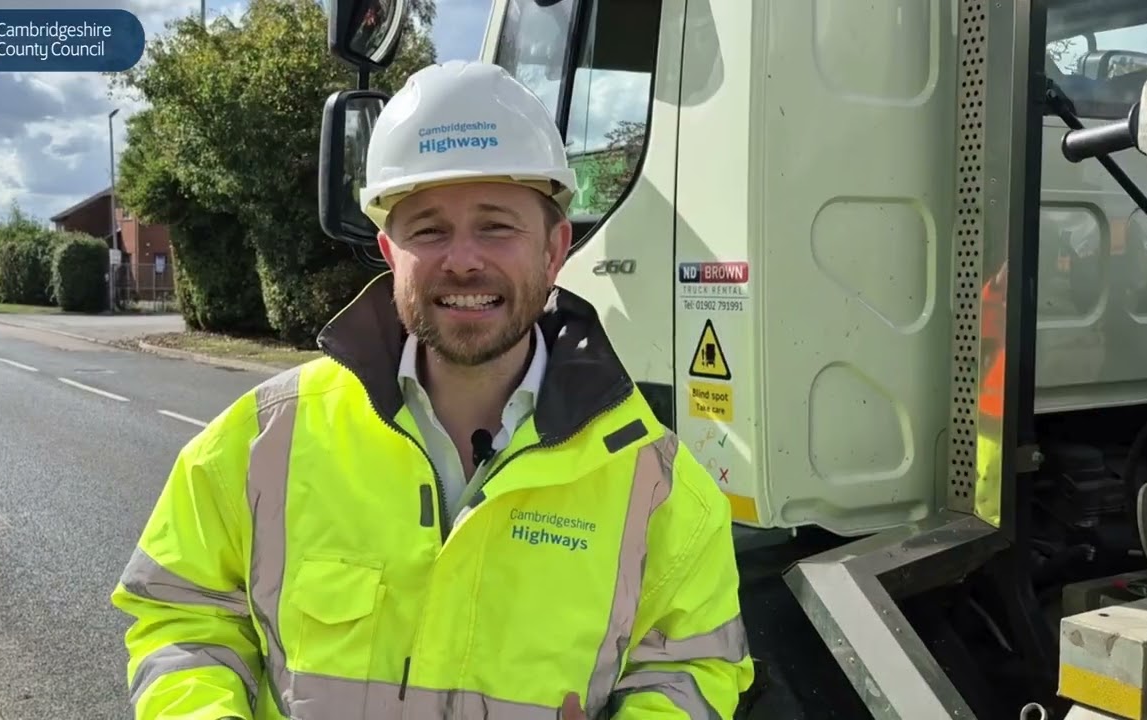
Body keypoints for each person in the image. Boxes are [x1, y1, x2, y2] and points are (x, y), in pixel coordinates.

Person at [111, 59, 753, 719]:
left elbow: (687, 669)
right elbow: (182, 616)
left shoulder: (657, 486)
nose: (464, 258)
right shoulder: (260, 442)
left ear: (554, 249)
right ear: (392, 255)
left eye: (497, 225)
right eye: (429, 229)